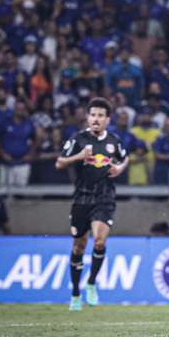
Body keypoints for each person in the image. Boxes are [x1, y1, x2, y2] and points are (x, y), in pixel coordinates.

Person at [55, 98, 129, 311]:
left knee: (99, 241)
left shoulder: (114, 141)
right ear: (88, 117)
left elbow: (125, 159)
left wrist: (120, 169)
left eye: (100, 116)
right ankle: (76, 293)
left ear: (107, 119)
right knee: (79, 246)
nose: (96, 119)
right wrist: (79, 156)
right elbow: (59, 162)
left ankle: (92, 283)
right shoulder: (78, 139)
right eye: (93, 115)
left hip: (104, 198)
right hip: (81, 200)